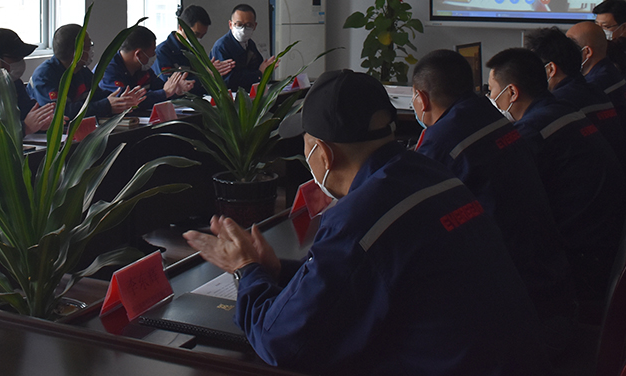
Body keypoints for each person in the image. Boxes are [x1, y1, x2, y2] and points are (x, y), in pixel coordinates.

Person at [183, 69, 545, 376]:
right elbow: (367, 279)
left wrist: (245, 270)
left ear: (324, 153)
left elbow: (283, 341)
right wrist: (278, 272)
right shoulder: (429, 173)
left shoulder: (361, 217)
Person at [410, 50, 576, 354]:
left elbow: (412, 214)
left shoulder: (441, 142)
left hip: (512, 293)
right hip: (546, 272)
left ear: (420, 98)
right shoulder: (490, 116)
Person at [487, 47, 625, 301]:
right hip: (605, 237)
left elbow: (515, 203)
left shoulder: (532, 132)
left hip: (580, 258)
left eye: (491, 90)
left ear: (512, 93)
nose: (490, 97)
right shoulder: (562, 108)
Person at [523, 26, 626, 181]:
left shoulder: (559, 103)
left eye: (530, 70)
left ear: (550, 70)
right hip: (621, 177)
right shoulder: (593, 90)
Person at [567, 21, 626, 176]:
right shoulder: (610, 72)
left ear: (587, 52)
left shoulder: (596, 85)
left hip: (623, 167)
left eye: (569, 48)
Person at [28, 25, 145, 120]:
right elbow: (61, 112)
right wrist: (106, 106)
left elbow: (97, 96)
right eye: (89, 46)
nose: (91, 51)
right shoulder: (44, 75)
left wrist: (121, 100)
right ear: (77, 52)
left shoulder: (82, 71)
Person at [95, 26, 193, 116]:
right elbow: (128, 102)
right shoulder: (107, 71)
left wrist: (175, 90)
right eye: (153, 51)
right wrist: (165, 93)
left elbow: (160, 88)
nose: (154, 55)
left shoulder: (143, 69)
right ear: (138, 54)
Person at [154, 5, 233, 97]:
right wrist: (206, 75)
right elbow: (171, 87)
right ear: (181, 27)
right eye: (195, 34)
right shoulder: (163, 52)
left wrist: (211, 74)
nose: (198, 39)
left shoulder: (196, 50)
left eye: (202, 35)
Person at [210, 4, 276, 90]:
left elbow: (258, 66)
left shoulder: (250, 44)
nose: (243, 29)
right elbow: (228, 80)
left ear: (255, 26)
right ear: (230, 24)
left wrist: (267, 69)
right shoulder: (222, 46)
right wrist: (259, 73)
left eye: (248, 25)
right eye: (239, 24)